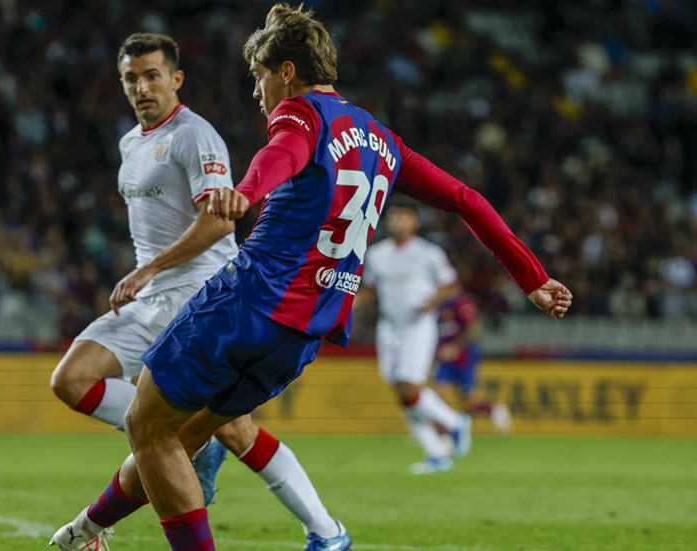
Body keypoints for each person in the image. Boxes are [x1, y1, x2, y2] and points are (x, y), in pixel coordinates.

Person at [51, 5, 572, 551]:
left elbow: (280, 155)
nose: (257, 93)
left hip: (247, 304)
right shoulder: (382, 140)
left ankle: (95, 532)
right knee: (174, 441)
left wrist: (245, 193)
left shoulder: (300, 114)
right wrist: (531, 277)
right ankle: (81, 534)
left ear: (287, 73)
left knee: (146, 426)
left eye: (259, 77)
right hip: (303, 333)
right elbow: (465, 199)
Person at [47, 32, 347, 551]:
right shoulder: (129, 142)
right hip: (149, 298)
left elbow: (219, 223)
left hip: (199, 292)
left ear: (176, 79)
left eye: (152, 75)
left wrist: (148, 270)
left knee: (237, 431)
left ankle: (325, 529)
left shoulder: (195, 135)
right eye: (131, 79)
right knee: (71, 379)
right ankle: (181, 442)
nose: (141, 87)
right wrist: (146, 277)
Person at [361, 206, 471, 474]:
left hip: (418, 326)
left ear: (414, 222)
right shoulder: (377, 254)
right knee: (399, 390)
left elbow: (452, 285)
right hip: (389, 326)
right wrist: (346, 307)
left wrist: (433, 300)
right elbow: (371, 289)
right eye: (394, 217)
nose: (398, 222)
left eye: (403, 216)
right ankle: (435, 453)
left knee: (409, 386)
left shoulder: (429, 253)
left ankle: (454, 421)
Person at [434, 289, 512, 434]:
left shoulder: (461, 302)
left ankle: (495, 410)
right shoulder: (436, 302)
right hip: (445, 358)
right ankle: (443, 436)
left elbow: (475, 327)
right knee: (439, 396)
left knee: (470, 402)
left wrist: (455, 347)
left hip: (464, 356)